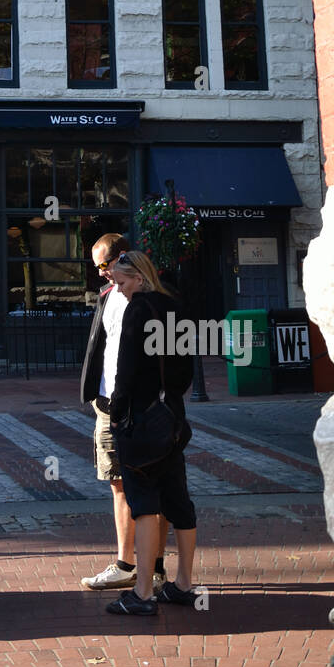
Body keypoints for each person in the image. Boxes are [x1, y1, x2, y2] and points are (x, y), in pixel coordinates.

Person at [105, 250, 198, 616]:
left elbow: (125, 373)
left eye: (123, 282)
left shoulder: (138, 309)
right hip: (172, 417)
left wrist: (117, 414)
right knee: (179, 503)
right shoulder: (177, 306)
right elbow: (187, 369)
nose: (120, 289)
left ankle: (143, 593)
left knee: (143, 504)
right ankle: (184, 585)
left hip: (141, 421)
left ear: (140, 278)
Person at [79, 234, 168, 595]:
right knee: (117, 481)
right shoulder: (107, 296)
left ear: (123, 259)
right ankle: (125, 564)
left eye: (104, 265)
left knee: (151, 483)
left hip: (142, 405)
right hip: (107, 402)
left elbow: (172, 358)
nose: (101, 274)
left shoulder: (154, 303)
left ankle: (153, 568)